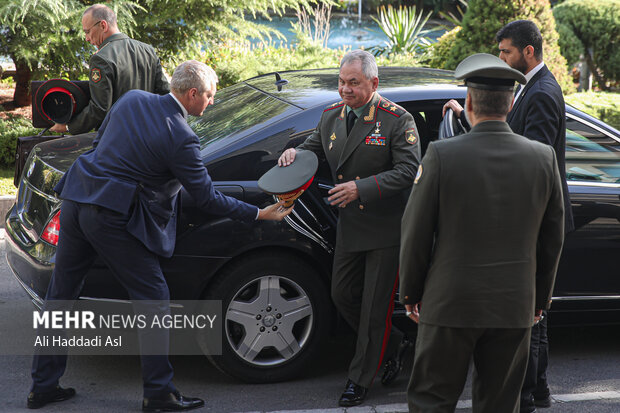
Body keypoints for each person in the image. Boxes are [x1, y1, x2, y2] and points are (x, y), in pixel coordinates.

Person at [27, 60, 291, 411]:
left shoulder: (133, 98)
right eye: (209, 96)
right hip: (111, 216)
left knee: (61, 294)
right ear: (193, 93)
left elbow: (101, 145)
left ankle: (42, 387)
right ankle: (158, 393)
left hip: (76, 198)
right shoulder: (182, 136)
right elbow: (206, 197)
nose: (211, 103)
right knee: (154, 299)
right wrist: (259, 212)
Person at [400, 53, 565, 413]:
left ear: (469, 102)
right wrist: (539, 300)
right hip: (513, 305)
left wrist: (410, 292)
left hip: (449, 303)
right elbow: (553, 237)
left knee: (431, 400)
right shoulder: (543, 158)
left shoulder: (441, 155)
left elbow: (415, 231)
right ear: (510, 104)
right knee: (499, 405)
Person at [443, 22, 574, 411]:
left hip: (533, 216)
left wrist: (471, 128)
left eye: (506, 52)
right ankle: (540, 389)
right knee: (536, 311)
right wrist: (471, 121)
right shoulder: (533, 87)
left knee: (530, 313)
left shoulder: (544, 92)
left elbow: (530, 158)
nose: (501, 58)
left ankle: (526, 395)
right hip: (532, 215)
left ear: (528, 53)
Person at [278, 50, 420, 407]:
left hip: (386, 229)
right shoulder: (331, 117)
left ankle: (360, 379)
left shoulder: (396, 120)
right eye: (341, 82)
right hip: (351, 227)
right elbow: (312, 150)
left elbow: (408, 172)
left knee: (375, 309)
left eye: (353, 83)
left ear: (373, 83)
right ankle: (395, 344)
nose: (345, 89)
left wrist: (362, 187)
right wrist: (291, 154)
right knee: (342, 296)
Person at [50, 4, 170, 135]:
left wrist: (68, 127)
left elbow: (100, 108)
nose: (87, 38)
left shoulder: (101, 58)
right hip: (149, 136)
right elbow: (165, 93)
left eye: (87, 31)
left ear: (103, 25)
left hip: (116, 141)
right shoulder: (148, 51)